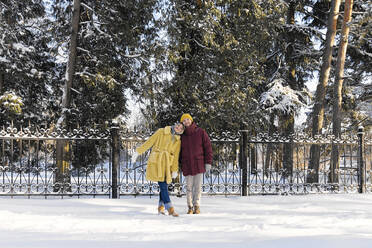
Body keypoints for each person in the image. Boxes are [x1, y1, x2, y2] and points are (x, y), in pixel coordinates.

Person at [132, 122, 184, 217]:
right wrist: (138, 152)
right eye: (178, 125)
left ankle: (161, 208)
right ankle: (170, 208)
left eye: (181, 128)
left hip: (168, 164)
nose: (178, 128)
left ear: (181, 131)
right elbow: (150, 142)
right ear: (174, 125)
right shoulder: (161, 131)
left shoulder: (178, 141)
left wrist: (175, 170)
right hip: (157, 162)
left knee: (164, 185)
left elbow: (176, 156)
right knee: (163, 185)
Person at [179, 113, 212, 214]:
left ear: (191, 120)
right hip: (187, 164)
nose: (186, 122)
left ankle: (197, 206)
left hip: (199, 163)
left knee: (197, 187)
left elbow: (208, 147)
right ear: (182, 123)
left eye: (188, 119)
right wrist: (179, 164)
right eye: (184, 120)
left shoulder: (200, 132)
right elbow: (178, 151)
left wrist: (208, 162)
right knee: (188, 187)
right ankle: (190, 206)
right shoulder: (181, 135)